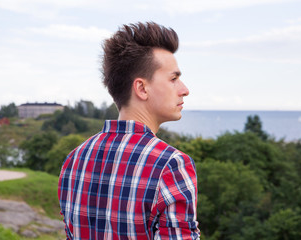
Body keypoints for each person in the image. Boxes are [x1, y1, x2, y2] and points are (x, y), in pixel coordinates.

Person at [58, 22, 200, 239]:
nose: (184, 90)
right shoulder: (171, 165)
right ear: (142, 88)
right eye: (173, 79)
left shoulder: (75, 159)